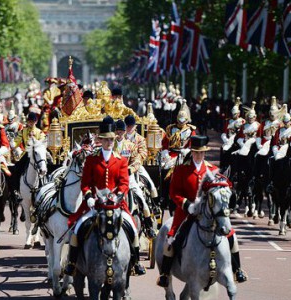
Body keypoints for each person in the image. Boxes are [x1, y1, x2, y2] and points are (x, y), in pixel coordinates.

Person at [157, 135, 247, 288]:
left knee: (231, 235)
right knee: (171, 240)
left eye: (201, 153)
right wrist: (186, 204)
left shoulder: (213, 170)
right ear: (191, 152)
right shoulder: (181, 170)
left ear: (205, 153)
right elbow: (174, 193)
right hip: (187, 213)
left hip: (209, 213)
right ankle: (165, 274)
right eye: (196, 153)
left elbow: (224, 186)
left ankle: (238, 269)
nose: (198, 156)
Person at [64, 121, 139, 276]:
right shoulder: (92, 159)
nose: (109, 142)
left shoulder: (121, 160)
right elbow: (85, 183)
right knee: (77, 229)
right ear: (101, 140)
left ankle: (135, 262)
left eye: (111, 139)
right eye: (106, 139)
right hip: (95, 205)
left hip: (116, 205)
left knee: (132, 228)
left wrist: (118, 196)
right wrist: (89, 196)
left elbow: (124, 183)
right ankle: (72, 263)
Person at [114, 119, 155, 275]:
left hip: (128, 178)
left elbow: (138, 159)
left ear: (125, 132)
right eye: (117, 130)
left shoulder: (130, 146)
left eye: (121, 131)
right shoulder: (109, 145)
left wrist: (130, 170)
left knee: (142, 199)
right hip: (113, 179)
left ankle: (149, 225)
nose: (119, 133)